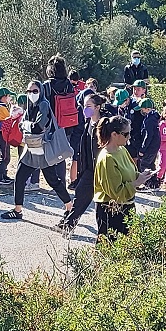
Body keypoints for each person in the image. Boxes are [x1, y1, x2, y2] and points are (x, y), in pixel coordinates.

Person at [1, 81, 72, 220]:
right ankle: (18, 210)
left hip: (42, 148)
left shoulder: (43, 104)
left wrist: (26, 124)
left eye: (35, 91)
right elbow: (25, 126)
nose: (31, 94)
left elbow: (37, 127)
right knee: (20, 178)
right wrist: (27, 125)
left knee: (52, 180)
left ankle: (70, 206)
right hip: (31, 148)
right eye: (29, 91)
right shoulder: (30, 106)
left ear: (41, 91)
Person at [93, 116, 151, 241]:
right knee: (110, 251)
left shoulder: (122, 150)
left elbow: (131, 173)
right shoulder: (107, 158)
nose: (129, 137)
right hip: (111, 212)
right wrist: (136, 183)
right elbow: (116, 193)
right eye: (126, 134)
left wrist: (141, 176)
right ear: (114, 134)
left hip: (127, 208)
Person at [57, 94, 109, 234]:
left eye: (88, 106)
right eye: (84, 106)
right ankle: (68, 225)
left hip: (103, 172)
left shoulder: (105, 125)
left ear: (97, 107)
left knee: (103, 206)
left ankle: (105, 236)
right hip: (89, 170)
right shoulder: (87, 124)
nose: (85, 109)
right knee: (80, 197)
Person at [42, 54, 76, 183]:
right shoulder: (68, 84)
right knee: (61, 155)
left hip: (50, 125)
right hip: (66, 124)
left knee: (47, 154)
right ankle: (60, 181)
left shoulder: (47, 85)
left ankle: (51, 181)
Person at [15, 93, 40, 191]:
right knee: (36, 162)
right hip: (34, 141)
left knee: (24, 163)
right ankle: (35, 182)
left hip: (23, 142)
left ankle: (26, 182)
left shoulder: (19, 113)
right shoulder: (35, 111)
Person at [136, 98, 161, 190]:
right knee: (151, 164)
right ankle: (155, 183)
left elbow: (148, 136)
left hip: (150, 147)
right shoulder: (154, 117)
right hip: (154, 146)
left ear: (147, 109)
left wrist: (143, 149)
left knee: (144, 164)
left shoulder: (149, 120)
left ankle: (149, 184)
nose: (141, 111)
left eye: (142, 109)